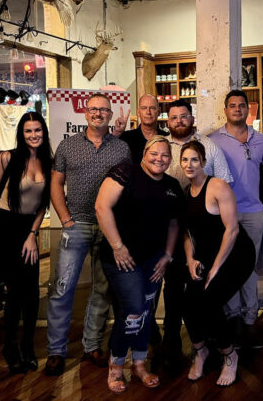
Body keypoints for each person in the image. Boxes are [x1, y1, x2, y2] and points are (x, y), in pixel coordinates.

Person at [45, 93, 131, 375]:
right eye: (93, 109)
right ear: (85, 113)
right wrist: (65, 219)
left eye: (103, 110)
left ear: (109, 114)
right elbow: (56, 184)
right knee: (62, 288)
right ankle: (56, 351)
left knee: (103, 288)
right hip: (76, 223)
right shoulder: (67, 145)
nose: (98, 114)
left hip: (109, 226)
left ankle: (92, 345)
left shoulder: (121, 148)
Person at [94, 136, 183, 394]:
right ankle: (117, 364)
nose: (160, 159)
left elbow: (174, 224)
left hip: (153, 260)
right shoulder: (125, 171)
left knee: (145, 310)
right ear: (144, 153)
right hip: (122, 258)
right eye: (155, 153)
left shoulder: (172, 185)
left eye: (165, 155)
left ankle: (140, 363)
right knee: (133, 308)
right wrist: (118, 246)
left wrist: (167, 255)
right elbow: (102, 207)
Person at [0, 112, 53, 374]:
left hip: (26, 228)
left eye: (38, 131)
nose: (34, 136)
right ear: (21, 133)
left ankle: (28, 347)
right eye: (29, 131)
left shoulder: (49, 162)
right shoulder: (7, 158)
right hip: (2, 225)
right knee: (15, 293)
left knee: (31, 294)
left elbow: (43, 205)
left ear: (44, 132)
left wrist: (33, 233)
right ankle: (10, 346)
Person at [156, 98, 233, 361]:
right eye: (174, 117)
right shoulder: (161, 145)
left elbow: (225, 180)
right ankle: (172, 340)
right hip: (168, 224)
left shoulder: (209, 146)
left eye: (184, 116)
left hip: (200, 229)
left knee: (200, 284)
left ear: (192, 117)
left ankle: (210, 341)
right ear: (168, 122)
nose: (179, 121)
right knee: (173, 286)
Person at [180, 141, 255, 386]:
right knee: (188, 302)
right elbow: (187, 233)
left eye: (194, 160)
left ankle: (229, 355)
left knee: (210, 300)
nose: (189, 165)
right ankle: (200, 350)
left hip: (236, 254)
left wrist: (215, 269)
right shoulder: (185, 193)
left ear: (203, 162)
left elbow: (232, 230)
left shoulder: (217, 186)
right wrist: (190, 259)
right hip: (207, 255)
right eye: (184, 160)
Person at [209, 90, 263, 349]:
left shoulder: (260, 140)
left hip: (252, 212)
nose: (237, 109)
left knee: (249, 266)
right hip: (223, 212)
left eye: (241, 106)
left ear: (248, 110)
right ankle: (232, 320)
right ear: (225, 109)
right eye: (232, 105)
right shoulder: (213, 140)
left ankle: (250, 322)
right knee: (227, 265)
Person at [117, 94, 168, 162]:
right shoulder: (126, 138)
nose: (148, 112)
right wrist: (117, 132)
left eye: (152, 108)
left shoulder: (166, 138)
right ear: (138, 112)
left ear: (159, 112)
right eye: (144, 108)